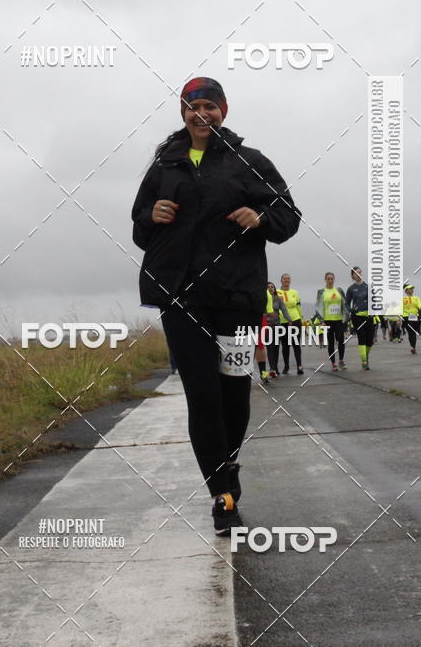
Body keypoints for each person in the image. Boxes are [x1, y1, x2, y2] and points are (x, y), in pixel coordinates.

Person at [131, 77, 301, 533]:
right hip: (181, 295)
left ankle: (228, 466)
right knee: (202, 395)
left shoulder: (249, 162)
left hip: (237, 296)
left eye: (208, 105)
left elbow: (289, 218)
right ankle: (222, 493)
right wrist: (152, 215)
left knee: (233, 393)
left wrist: (260, 217)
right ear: (182, 113)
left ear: (223, 110)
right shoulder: (165, 163)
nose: (199, 113)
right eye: (191, 106)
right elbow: (139, 229)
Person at [314, 272, 349, 370]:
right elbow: (318, 307)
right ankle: (333, 363)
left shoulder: (339, 290)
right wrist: (322, 320)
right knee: (331, 343)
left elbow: (344, 304)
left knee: (341, 341)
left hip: (338, 320)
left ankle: (341, 360)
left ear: (334, 280)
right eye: (328, 279)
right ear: (325, 280)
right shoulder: (321, 292)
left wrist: (346, 316)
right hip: (327, 321)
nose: (330, 280)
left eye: (331, 279)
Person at [345, 266, 376, 370]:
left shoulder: (368, 287)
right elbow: (346, 304)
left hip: (369, 316)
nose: (358, 274)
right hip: (357, 317)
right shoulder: (351, 289)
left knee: (370, 340)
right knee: (361, 338)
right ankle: (364, 361)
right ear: (353, 276)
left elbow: (374, 300)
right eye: (356, 273)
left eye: (360, 272)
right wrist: (352, 310)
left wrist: (373, 312)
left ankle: (366, 356)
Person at [276, 273, 305, 374]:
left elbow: (298, 307)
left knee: (296, 344)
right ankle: (286, 366)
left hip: (295, 320)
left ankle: (299, 366)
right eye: (284, 279)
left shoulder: (295, 292)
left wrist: (301, 319)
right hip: (282, 322)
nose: (287, 280)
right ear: (281, 280)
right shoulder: (276, 292)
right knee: (285, 345)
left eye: (288, 279)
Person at [265, 281, 292, 376]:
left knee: (276, 348)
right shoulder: (263, 299)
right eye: (268, 287)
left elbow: (284, 309)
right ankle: (272, 368)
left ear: (275, 289)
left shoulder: (278, 299)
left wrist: (289, 319)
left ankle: (275, 367)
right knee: (270, 347)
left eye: (272, 287)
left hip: (277, 325)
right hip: (267, 326)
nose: (270, 288)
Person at [402, 284, 421, 354]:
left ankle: (413, 346)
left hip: (414, 316)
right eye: (410, 289)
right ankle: (412, 347)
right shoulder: (403, 299)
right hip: (406, 316)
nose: (411, 290)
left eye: (412, 289)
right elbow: (400, 308)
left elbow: (420, 305)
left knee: (414, 332)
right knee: (410, 332)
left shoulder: (416, 298)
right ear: (406, 291)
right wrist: (399, 318)